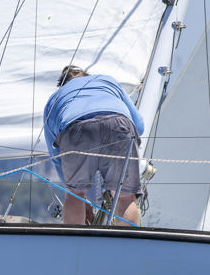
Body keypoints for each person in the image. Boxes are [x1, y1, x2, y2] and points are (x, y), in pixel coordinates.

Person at [43, 65, 145, 225]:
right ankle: (127, 247)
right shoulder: (107, 81)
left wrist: (73, 188)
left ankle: (75, 246)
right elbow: (139, 126)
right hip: (118, 124)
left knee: (75, 196)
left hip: (75, 128)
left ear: (64, 84)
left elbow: (55, 155)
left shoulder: (55, 98)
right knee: (125, 196)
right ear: (86, 76)